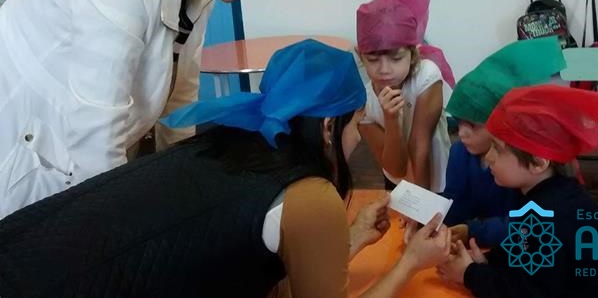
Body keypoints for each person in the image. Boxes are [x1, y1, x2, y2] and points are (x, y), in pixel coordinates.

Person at [0, 39, 451, 298]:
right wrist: (410, 261)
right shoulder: (309, 194)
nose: (358, 140)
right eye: (355, 124)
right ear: (329, 127)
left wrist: (350, 238)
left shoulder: (226, 145)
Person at [0, 0, 278, 219]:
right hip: (28, 153)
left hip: (86, 152)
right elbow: (96, 134)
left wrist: (183, 179)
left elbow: (180, 94)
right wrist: (130, 230)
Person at [438, 85, 598, 297]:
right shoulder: (550, 194)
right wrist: (490, 262)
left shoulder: (549, 214)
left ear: (538, 162)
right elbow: (523, 248)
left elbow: (527, 292)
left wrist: (469, 274)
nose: (488, 157)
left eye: (497, 149)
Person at [442, 37, 565, 247]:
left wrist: (474, 231)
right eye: (458, 122)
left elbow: (531, 226)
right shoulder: (459, 153)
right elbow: (453, 207)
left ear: (503, 122)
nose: (461, 133)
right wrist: (428, 219)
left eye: (473, 125)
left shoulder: (521, 162)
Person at [355, 0, 454, 193]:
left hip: (433, 175)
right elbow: (396, 168)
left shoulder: (426, 76)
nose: (384, 70)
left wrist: (422, 204)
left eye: (396, 58)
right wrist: (391, 120)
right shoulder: (363, 100)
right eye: (373, 60)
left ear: (413, 53)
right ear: (360, 55)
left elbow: (420, 148)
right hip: (397, 180)